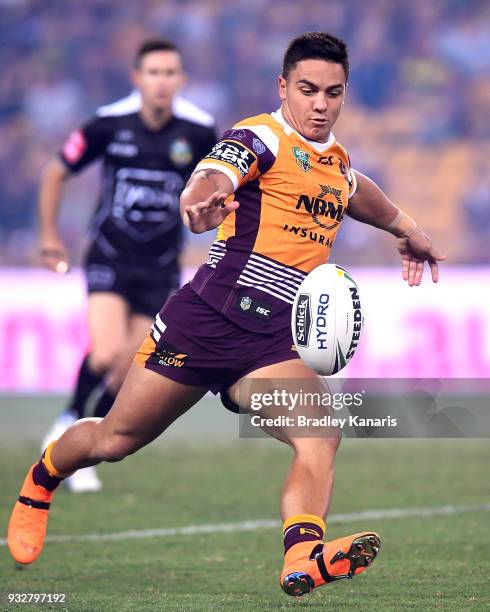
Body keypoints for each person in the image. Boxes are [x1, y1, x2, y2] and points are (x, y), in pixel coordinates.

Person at [8, 32, 445, 597]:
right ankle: (41, 481)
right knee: (114, 440)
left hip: (267, 344)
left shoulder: (336, 163)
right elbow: (212, 177)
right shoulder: (260, 135)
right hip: (203, 322)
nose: (320, 104)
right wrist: (199, 202)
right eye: (308, 90)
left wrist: (407, 229)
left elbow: (355, 191)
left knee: (320, 435)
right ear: (283, 87)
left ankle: (303, 557)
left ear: (344, 94)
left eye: (333, 93)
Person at [38, 39, 217, 492]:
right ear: (137, 78)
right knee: (103, 352)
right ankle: (66, 423)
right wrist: (49, 237)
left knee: (126, 370)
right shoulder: (107, 123)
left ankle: (84, 441)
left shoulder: (199, 132)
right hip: (110, 257)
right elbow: (57, 171)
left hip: (159, 266)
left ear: (181, 80)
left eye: (170, 73)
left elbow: (219, 187)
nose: (162, 81)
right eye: (153, 72)